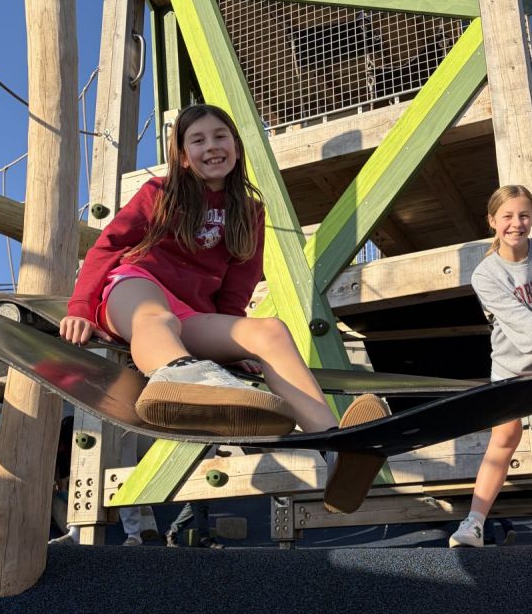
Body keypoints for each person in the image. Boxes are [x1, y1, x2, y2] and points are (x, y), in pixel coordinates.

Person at [59, 103, 387, 476]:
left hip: (191, 315)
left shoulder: (249, 212)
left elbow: (236, 289)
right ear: (183, 157)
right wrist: (81, 306)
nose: (211, 146)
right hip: (133, 287)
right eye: (197, 140)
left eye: (220, 137)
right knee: (157, 317)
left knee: (271, 331)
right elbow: (109, 245)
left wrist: (234, 346)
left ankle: (335, 446)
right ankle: (180, 378)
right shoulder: (160, 193)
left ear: (236, 145)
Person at [448, 185, 532, 549]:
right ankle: (474, 522)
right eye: (507, 216)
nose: (516, 224)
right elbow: (519, 321)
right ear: (492, 221)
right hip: (510, 367)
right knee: (503, 438)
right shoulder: (486, 275)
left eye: (523, 215)